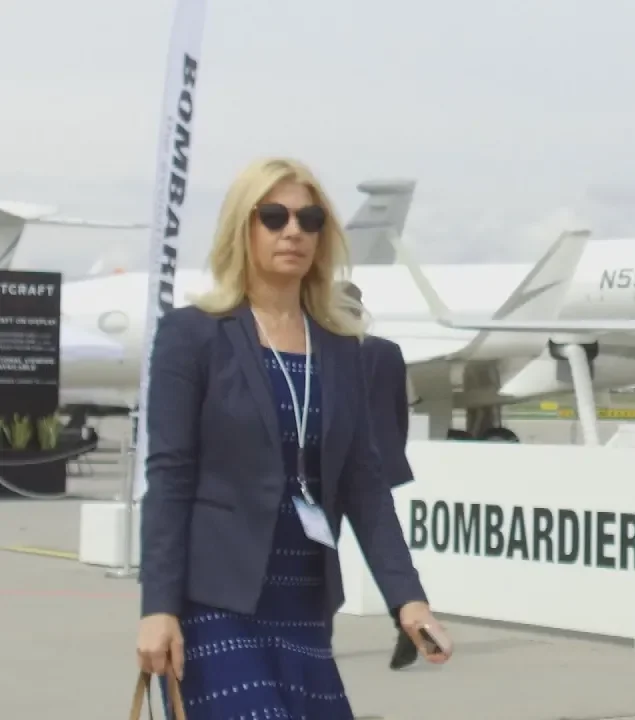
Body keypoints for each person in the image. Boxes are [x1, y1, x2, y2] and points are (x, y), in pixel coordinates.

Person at [134, 156, 453, 719]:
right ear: (243, 227)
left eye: (309, 220)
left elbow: (364, 485)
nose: (293, 231)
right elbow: (169, 479)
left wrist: (409, 599)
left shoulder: (342, 347)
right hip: (213, 604)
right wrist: (158, 607)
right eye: (274, 216)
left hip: (304, 603)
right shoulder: (193, 336)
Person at [334, 280, 422, 670]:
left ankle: (317, 635)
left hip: (333, 464)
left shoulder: (326, 349)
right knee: (387, 550)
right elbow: (400, 411)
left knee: (319, 554)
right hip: (376, 464)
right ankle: (410, 617)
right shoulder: (387, 351)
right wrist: (391, 455)